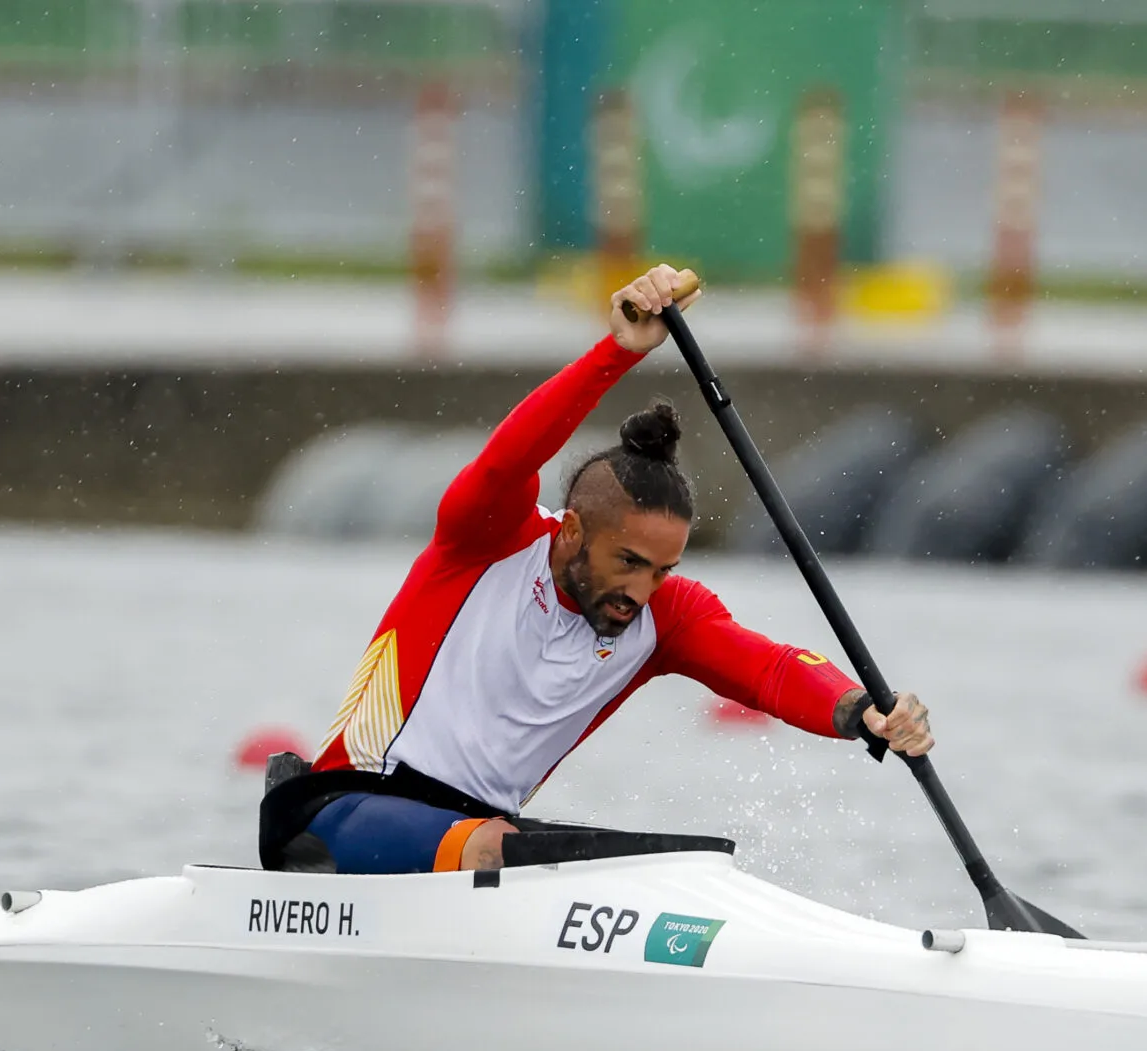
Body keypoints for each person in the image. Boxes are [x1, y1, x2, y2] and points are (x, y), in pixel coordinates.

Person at [263, 265, 934, 875]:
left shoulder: (664, 618)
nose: (640, 593)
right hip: (336, 817)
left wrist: (863, 711)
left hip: (469, 838)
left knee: (634, 862)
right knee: (507, 846)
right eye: (629, 564)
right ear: (574, 531)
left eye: (663, 571)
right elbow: (509, 457)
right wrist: (617, 353)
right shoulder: (488, 539)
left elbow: (771, 669)